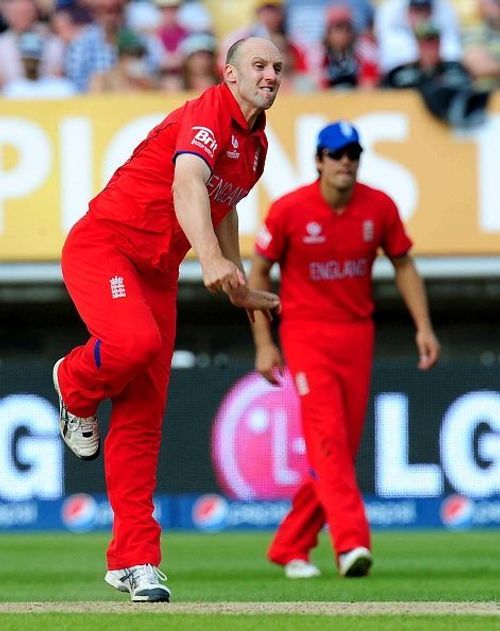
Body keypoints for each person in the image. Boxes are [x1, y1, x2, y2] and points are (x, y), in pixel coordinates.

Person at [53, 36, 283, 602]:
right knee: (132, 343)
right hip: (106, 246)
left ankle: (136, 561)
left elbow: (220, 207)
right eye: (259, 65)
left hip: (155, 275)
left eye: (278, 67)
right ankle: (74, 383)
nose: (271, 75)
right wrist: (207, 259)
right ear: (229, 74)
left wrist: (234, 279)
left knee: (143, 420)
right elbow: (188, 183)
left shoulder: (256, 148)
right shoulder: (210, 110)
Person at [249, 120, 441, 579]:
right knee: (329, 444)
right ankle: (351, 544)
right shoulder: (289, 210)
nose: (346, 162)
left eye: (353, 154)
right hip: (306, 333)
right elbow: (257, 274)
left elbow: (404, 265)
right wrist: (264, 343)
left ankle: (291, 544)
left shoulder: (380, 207)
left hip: (357, 335)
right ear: (319, 160)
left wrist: (424, 327)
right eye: (336, 154)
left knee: (337, 451)